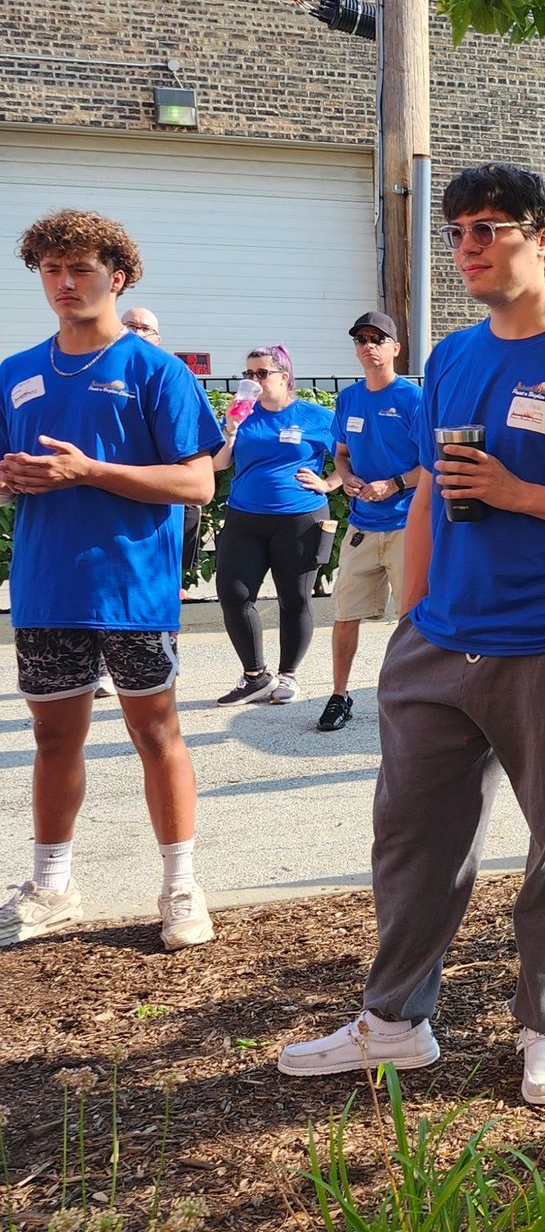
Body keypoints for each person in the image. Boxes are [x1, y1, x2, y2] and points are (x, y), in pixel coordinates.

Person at [278, 163, 545, 1110]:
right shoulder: (449, 358)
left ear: (543, 238)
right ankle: (396, 1022)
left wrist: (517, 494)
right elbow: (424, 494)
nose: (469, 245)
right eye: (458, 231)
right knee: (412, 838)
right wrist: (411, 613)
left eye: (489, 227)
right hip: (438, 642)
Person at [0, 209, 219, 949]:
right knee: (53, 737)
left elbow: (197, 485)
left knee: (155, 731)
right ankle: (53, 886)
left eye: (81, 269)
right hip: (45, 585)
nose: (65, 283)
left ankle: (181, 885)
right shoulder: (16, 373)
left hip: (132, 589)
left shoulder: (156, 372)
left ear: (117, 277)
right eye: (51, 270)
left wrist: (88, 471)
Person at [317, 310, 425, 733]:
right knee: (345, 615)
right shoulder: (349, 398)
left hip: (406, 524)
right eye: (361, 339)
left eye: (378, 339)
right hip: (363, 526)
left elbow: (431, 467)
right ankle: (340, 695)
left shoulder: (413, 400)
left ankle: (412, 696)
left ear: (396, 349)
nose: (368, 346)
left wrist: (395, 484)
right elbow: (341, 454)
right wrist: (344, 478)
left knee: (412, 617)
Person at [210, 346, 335, 705]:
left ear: (284, 376)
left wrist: (328, 483)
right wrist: (231, 430)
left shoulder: (317, 417)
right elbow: (218, 464)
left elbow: (349, 458)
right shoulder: (241, 416)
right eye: (248, 374)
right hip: (245, 516)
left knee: (294, 598)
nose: (253, 381)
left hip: (300, 518)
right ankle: (255, 676)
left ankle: (288, 675)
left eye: (261, 373)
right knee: (233, 595)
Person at [124, 306, 207, 591]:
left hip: (159, 491)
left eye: (145, 328)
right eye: (130, 325)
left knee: (190, 512)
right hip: (112, 491)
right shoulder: (100, 369)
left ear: (157, 338)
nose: (137, 332)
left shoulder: (172, 374)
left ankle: (182, 577)